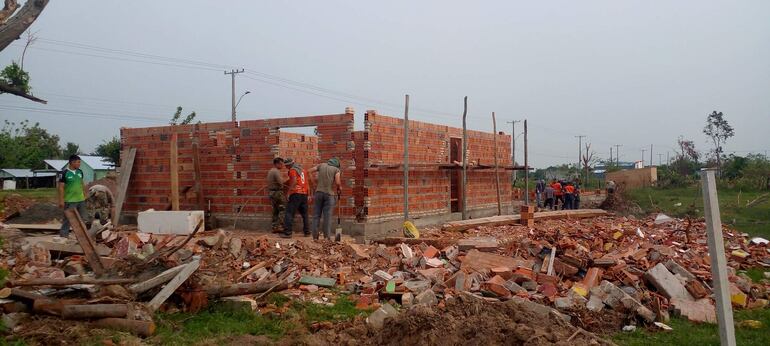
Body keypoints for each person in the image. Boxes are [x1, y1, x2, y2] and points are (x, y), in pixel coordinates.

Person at [308, 157, 342, 240]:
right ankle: (326, 237)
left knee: (316, 215)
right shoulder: (336, 170)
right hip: (329, 195)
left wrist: (313, 183)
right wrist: (339, 188)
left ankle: (315, 237)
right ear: (337, 164)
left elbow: (308, 171)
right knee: (327, 216)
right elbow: (337, 182)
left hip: (318, 193)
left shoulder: (321, 165)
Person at [58, 155, 87, 238]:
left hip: (80, 200)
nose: (79, 164)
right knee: (68, 219)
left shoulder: (80, 172)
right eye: (78, 162)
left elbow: (82, 183)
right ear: (72, 162)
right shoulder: (64, 173)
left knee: (82, 219)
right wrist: (61, 200)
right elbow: (61, 187)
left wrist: (84, 194)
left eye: (79, 162)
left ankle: (81, 236)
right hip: (69, 200)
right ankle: (64, 236)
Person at [282, 158, 310, 238]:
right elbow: (306, 183)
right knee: (305, 214)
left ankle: (287, 233)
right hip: (304, 194)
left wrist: (288, 192)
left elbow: (294, 181)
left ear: (290, 164)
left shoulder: (292, 170)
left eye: (286, 165)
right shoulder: (303, 171)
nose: (286, 167)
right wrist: (309, 194)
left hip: (296, 194)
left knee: (289, 213)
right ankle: (307, 232)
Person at [267, 157, 286, 233]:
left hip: (272, 193)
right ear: (276, 164)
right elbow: (281, 182)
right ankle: (280, 226)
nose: (282, 165)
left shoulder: (271, 171)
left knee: (275, 211)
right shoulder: (276, 171)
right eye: (281, 164)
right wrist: (286, 180)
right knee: (283, 209)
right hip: (277, 193)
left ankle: (274, 227)